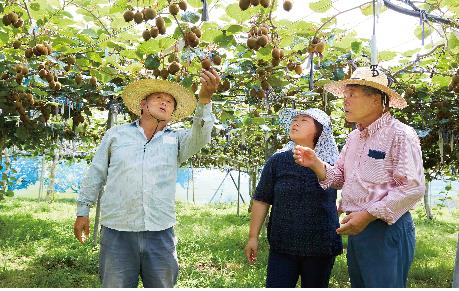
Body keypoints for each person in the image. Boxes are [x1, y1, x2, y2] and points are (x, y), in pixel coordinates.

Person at [73, 69, 220, 288]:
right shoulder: (116, 135)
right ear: (143, 104)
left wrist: (205, 100)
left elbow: (201, 135)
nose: (165, 103)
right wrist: (83, 211)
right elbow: (97, 172)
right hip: (117, 231)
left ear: (172, 112)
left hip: (160, 232)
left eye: (170, 102)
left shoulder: (178, 140)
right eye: (159, 98)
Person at [293, 66, 425, 287]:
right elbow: (341, 177)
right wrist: (316, 164)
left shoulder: (400, 134)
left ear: (376, 100)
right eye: (345, 95)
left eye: (352, 94)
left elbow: (412, 187)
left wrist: (367, 215)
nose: (345, 101)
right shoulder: (355, 137)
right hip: (358, 226)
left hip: (385, 227)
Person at [244, 107, 343, 288]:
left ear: (320, 131)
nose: (296, 122)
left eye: (304, 120)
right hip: (283, 244)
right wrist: (253, 237)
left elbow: (346, 185)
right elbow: (262, 199)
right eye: (295, 119)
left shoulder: (333, 162)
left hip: (320, 245)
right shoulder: (277, 161)